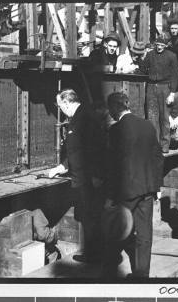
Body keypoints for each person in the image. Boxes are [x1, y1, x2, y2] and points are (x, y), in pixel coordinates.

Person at [102, 92, 164, 278]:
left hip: (126, 192)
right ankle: (142, 274)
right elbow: (158, 158)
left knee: (117, 231)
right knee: (144, 234)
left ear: (114, 108)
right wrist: (157, 187)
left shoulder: (115, 130)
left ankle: (110, 271)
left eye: (110, 110)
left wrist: (110, 197)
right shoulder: (147, 125)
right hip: (147, 189)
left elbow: (112, 167)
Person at [48, 89, 106, 263]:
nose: (60, 109)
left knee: (92, 217)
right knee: (88, 217)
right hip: (84, 177)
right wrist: (62, 166)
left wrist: (96, 175)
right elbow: (76, 149)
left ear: (67, 103)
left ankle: (95, 257)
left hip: (90, 179)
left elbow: (96, 148)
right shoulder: (79, 117)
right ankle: (93, 254)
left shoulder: (86, 118)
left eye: (60, 106)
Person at [142, 35, 178, 153]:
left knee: (164, 117)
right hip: (151, 86)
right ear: (155, 44)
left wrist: (172, 93)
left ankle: (164, 145)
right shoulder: (150, 54)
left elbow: (175, 75)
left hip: (165, 88)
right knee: (152, 117)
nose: (159, 47)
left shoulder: (172, 56)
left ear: (166, 46)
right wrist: (143, 57)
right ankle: (154, 144)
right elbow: (143, 69)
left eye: (162, 45)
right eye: (158, 45)